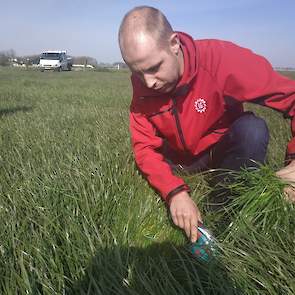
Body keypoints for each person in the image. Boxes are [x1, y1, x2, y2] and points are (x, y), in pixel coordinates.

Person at [118, 6, 295, 243]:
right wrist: (175, 192)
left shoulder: (221, 60)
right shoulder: (143, 87)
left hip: (218, 152)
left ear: (174, 44)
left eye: (153, 68)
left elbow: (292, 98)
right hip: (178, 161)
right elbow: (144, 148)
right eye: (137, 72)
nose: (148, 82)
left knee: (252, 130)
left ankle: (228, 212)